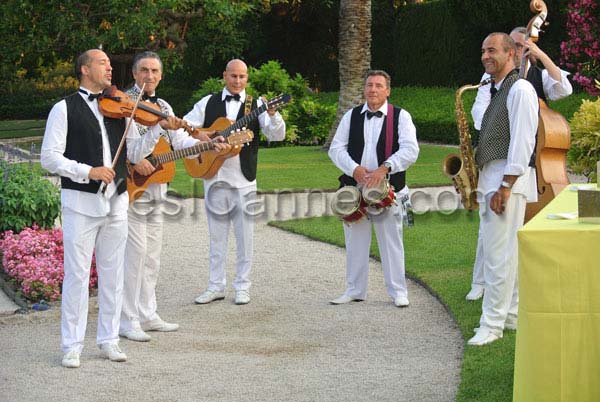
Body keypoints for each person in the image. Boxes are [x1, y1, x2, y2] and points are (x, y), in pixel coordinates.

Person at [41, 49, 186, 368]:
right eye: (102, 63)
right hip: (81, 203)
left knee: (113, 273)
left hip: (117, 201)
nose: (109, 68)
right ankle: (72, 345)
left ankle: (108, 339)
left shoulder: (121, 109)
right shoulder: (63, 108)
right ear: (84, 69)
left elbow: (134, 153)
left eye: (109, 63)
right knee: (77, 276)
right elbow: (49, 157)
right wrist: (87, 171)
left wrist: (158, 127)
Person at [465, 26, 573, 301]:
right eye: (515, 44)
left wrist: (541, 55)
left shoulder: (530, 82)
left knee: (502, 247)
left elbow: (564, 89)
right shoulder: (491, 80)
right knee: (492, 239)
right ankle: (482, 284)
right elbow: (479, 114)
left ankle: (506, 305)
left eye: (523, 46)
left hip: (520, 167)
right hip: (496, 159)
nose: (519, 50)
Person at [119, 51, 219, 342]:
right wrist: (157, 129)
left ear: (161, 76)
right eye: (144, 70)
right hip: (132, 185)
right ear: (134, 74)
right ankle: (127, 319)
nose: (149, 75)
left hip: (157, 185)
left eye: (154, 71)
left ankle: (148, 313)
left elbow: (179, 141)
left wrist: (207, 144)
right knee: (135, 253)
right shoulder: (125, 104)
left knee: (152, 253)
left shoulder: (164, 105)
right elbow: (132, 150)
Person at [183, 59, 286, 305]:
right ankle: (215, 286)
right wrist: (205, 139)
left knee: (245, 237)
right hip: (213, 176)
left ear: (247, 78)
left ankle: (242, 286)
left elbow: (276, 135)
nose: (237, 81)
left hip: (244, 179)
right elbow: (184, 126)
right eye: (233, 76)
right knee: (217, 238)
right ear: (224, 75)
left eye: (242, 76)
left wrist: (273, 115)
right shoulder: (207, 102)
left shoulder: (257, 105)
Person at [467, 33, 538, 346]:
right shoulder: (497, 89)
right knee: (505, 256)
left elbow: (523, 141)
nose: (486, 56)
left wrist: (506, 186)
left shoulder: (520, 89)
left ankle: (491, 325)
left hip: (505, 182)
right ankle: (509, 316)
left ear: (511, 54)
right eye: (483, 50)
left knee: (497, 258)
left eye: (492, 50)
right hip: (495, 179)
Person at [328, 70, 419, 307]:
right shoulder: (351, 116)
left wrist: (385, 167)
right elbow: (336, 149)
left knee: (391, 243)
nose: (373, 90)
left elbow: (411, 150)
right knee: (355, 243)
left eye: (379, 85)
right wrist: (354, 169)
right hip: (355, 190)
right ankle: (355, 290)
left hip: (388, 189)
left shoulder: (401, 116)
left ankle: (398, 292)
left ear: (388, 90)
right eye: (369, 85)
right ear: (364, 89)